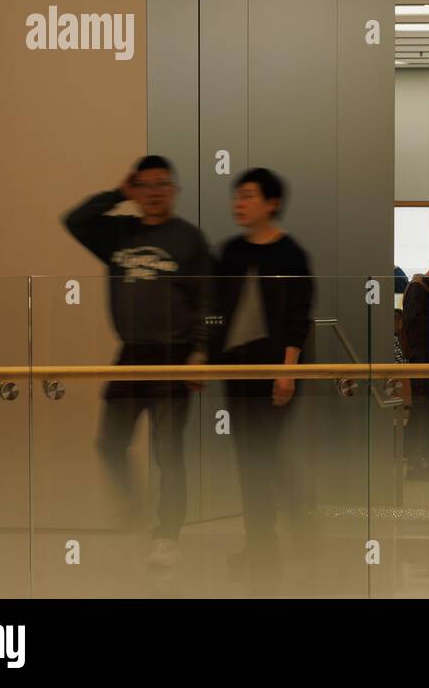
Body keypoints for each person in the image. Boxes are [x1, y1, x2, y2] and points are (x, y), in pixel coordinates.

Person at [62, 156, 212, 569]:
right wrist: (117, 194)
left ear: (174, 191)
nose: (153, 192)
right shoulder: (119, 234)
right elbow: (74, 221)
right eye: (144, 185)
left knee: (168, 453)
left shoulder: (189, 239)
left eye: (162, 184)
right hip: (130, 355)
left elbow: (208, 300)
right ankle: (135, 508)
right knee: (109, 443)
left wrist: (200, 353)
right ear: (136, 190)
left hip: (175, 357)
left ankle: (167, 535)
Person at [212, 168, 313, 593]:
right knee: (249, 457)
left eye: (249, 196)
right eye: (237, 196)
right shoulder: (230, 251)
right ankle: (263, 540)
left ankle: (292, 524)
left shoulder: (291, 254)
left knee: (263, 454)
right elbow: (216, 311)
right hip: (238, 369)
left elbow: (297, 317)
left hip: (277, 368)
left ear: (271, 203)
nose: (240, 202)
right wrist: (206, 360)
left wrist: (287, 370)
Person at [400, 270, 429, 480]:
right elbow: (416, 329)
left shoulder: (420, 288)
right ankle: (415, 461)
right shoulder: (417, 289)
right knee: (421, 412)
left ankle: (422, 460)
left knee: (424, 413)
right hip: (422, 364)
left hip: (427, 363)